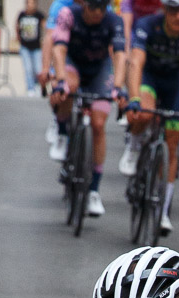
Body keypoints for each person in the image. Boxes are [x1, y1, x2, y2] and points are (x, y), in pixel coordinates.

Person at [120, 0, 179, 235]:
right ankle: (134, 145)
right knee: (144, 111)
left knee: (172, 144)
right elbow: (136, 62)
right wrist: (133, 99)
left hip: (174, 85)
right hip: (149, 78)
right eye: (173, 10)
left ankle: (164, 209)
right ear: (164, 9)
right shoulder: (147, 24)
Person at [49, 0, 127, 217]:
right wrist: (61, 79)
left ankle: (93, 190)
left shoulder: (114, 21)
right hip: (73, 64)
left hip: (99, 70)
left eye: (102, 8)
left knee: (99, 124)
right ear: (84, 6)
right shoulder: (68, 14)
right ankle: (63, 133)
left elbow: (120, 55)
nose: (98, 13)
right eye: (93, 8)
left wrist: (119, 87)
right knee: (68, 88)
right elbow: (59, 48)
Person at [16, 0, 45, 96]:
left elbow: (46, 26)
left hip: (36, 47)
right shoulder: (22, 15)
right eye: (29, 3)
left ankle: (37, 86)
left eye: (33, 3)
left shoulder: (39, 15)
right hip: (25, 47)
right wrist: (18, 38)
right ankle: (30, 89)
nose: (31, 5)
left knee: (38, 69)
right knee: (28, 68)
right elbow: (17, 26)